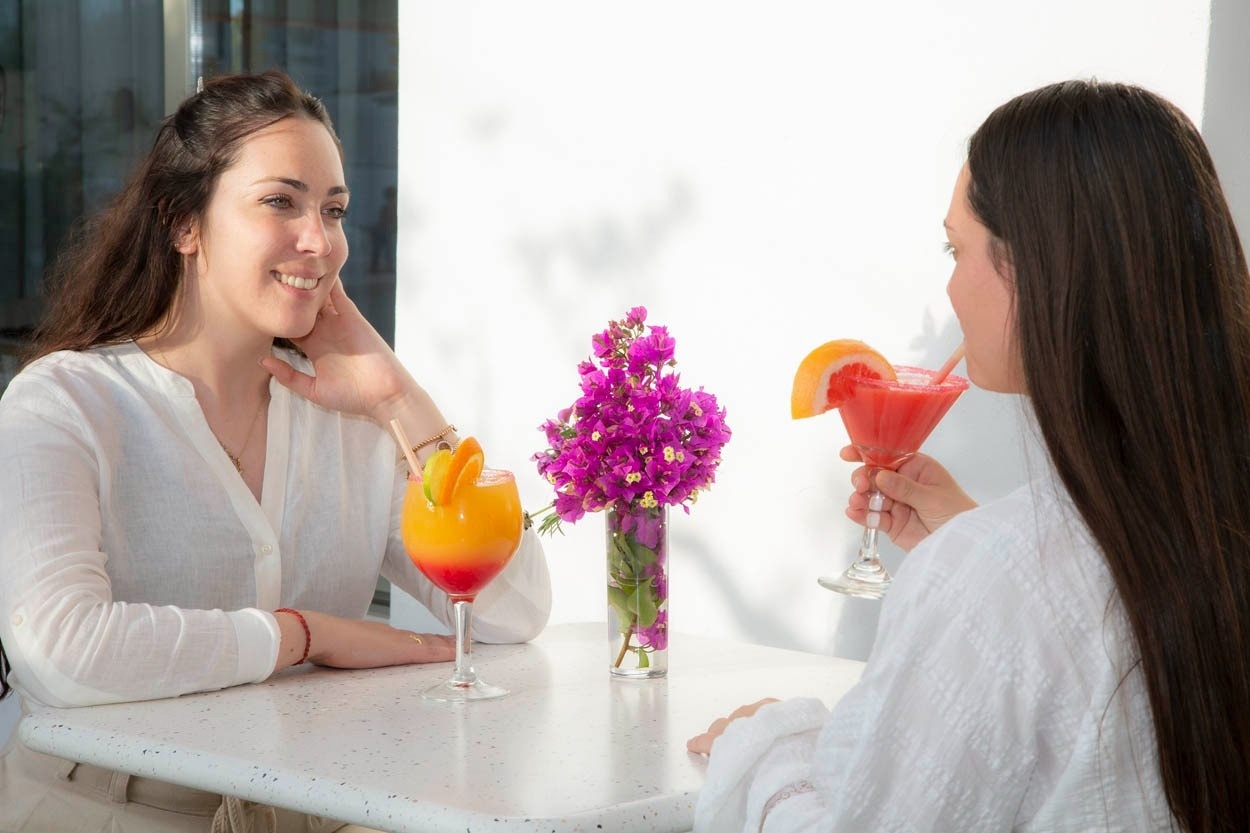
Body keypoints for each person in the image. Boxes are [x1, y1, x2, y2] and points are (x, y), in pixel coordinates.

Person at [689, 79, 1250, 832]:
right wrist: (978, 546)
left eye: (956, 249)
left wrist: (767, 748)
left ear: (1039, 268)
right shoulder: (1208, 525)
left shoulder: (991, 577)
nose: (950, 290)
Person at [0, 70, 551, 832]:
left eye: (333, 210)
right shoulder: (62, 405)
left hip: (314, 805)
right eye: (280, 202)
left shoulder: (351, 419)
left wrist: (400, 398)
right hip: (102, 808)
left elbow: (510, 608)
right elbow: (60, 650)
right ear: (183, 223)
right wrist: (302, 634)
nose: (319, 240)